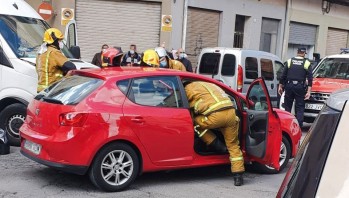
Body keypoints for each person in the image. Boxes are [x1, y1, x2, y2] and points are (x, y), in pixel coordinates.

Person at [184, 81, 244, 186]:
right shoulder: (211, 85)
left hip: (214, 116)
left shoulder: (188, 88)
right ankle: (238, 176)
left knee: (195, 123)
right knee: (233, 145)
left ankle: (217, 145)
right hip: (231, 114)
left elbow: (185, 105)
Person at [278, 47, 313, 127]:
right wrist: (308, 91)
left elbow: (283, 75)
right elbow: (310, 78)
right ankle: (298, 127)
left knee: (287, 107)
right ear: (304, 53)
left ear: (297, 52)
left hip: (289, 86)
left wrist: (280, 86)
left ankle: (285, 125)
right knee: (300, 107)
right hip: (300, 87)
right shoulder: (306, 63)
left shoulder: (290, 61)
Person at [36, 28, 76, 92]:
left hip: (41, 90)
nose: (61, 43)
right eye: (59, 40)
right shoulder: (54, 52)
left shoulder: (40, 53)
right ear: (54, 40)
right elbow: (71, 67)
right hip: (52, 90)